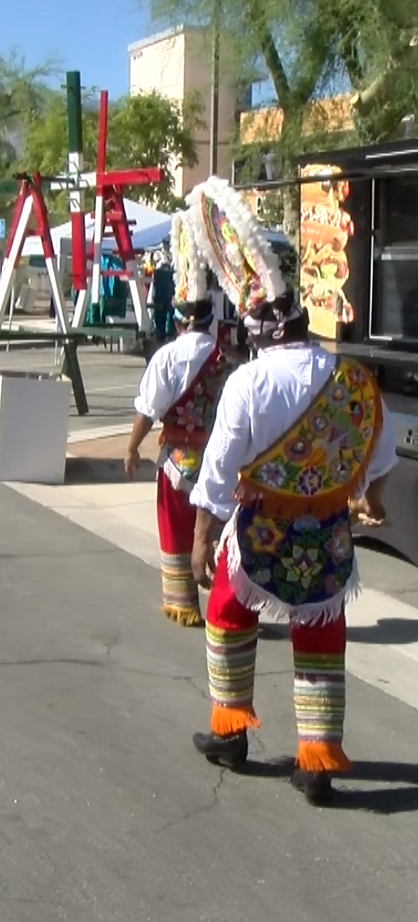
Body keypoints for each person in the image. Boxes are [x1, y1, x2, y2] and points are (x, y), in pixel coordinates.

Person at [183, 177, 397, 806]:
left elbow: (219, 470)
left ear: (257, 331)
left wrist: (199, 542)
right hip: (327, 532)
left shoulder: (249, 382)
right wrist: (371, 499)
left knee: (227, 615)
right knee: (322, 632)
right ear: (303, 325)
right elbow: (377, 452)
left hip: (258, 530)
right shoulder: (351, 378)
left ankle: (232, 732)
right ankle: (319, 761)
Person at [125, 213, 232, 627]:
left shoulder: (167, 356)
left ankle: (183, 601)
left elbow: (148, 407)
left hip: (177, 459)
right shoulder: (225, 357)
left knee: (176, 527)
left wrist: (133, 446)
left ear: (181, 317)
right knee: (215, 530)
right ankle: (225, 603)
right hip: (218, 456)